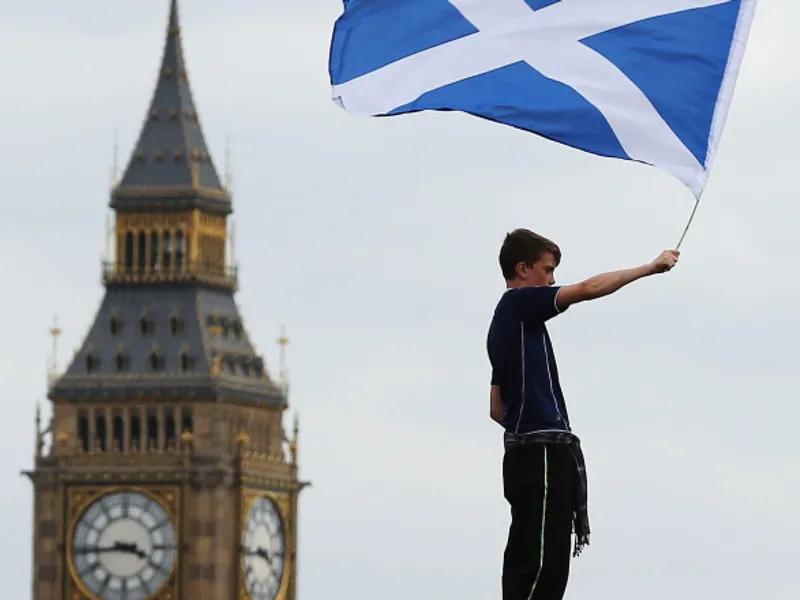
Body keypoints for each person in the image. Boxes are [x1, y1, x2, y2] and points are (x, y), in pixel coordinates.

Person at [486, 228, 679, 600]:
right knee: (545, 566)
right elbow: (588, 289)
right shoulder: (519, 304)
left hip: (523, 456)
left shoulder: (505, 325)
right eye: (548, 269)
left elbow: (497, 409)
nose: (553, 279)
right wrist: (650, 267)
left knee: (527, 559)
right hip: (543, 454)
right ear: (522, 269)